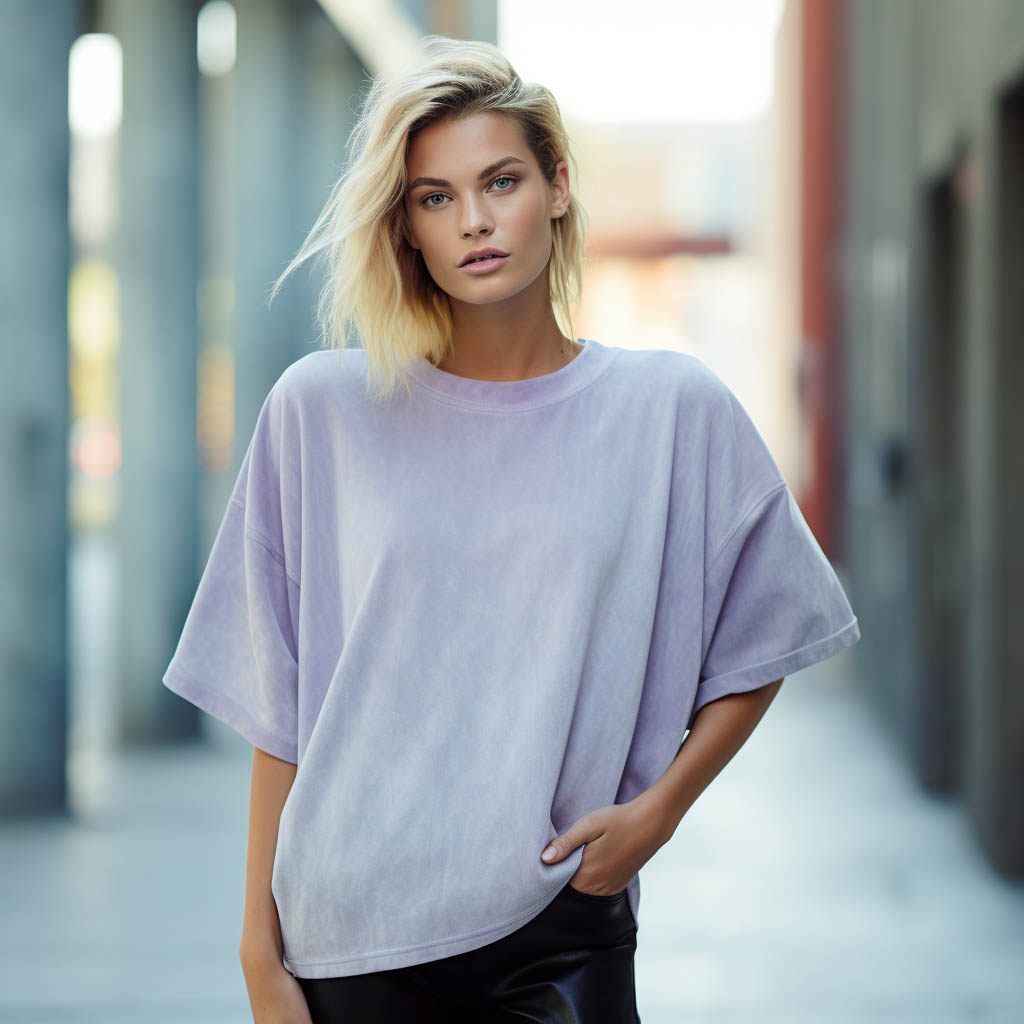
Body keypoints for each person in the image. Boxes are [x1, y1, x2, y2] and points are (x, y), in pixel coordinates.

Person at [161, 34, 861, 1024]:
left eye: (501, 181)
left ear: (559, 187)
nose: (475, 221)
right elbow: (283, 709)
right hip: (349, 925)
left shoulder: (669, 409)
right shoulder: (323, 410)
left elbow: (769, 632)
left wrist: (659, 814)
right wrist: (256, 951)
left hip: (560, 921)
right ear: (403, 227)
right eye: (435, 198)